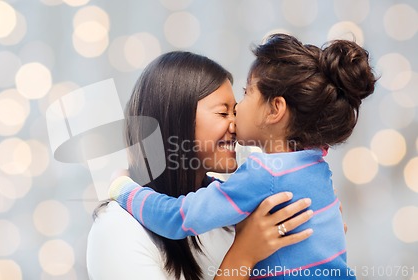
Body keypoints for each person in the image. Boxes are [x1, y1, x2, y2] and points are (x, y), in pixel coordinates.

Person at [110, 34, 377, 279]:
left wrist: (124, 190)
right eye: (222, 112)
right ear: (177, 119)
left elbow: (178, 218)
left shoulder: (263, 172)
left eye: (246, 93)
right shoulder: (316, 165)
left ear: (275, 110)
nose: (236, 114)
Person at [87, 51, 314, 280]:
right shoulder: (116, 228)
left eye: (235, 112)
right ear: (176, 120)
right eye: (223, 112)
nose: (236, 124)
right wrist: (243, 255)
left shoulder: (230, 215)